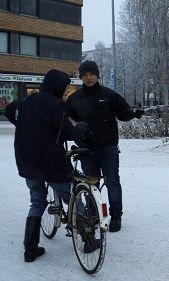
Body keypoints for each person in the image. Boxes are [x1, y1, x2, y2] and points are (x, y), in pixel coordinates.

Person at [66, 61, 144, 232]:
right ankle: (92, 214)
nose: (88, 77)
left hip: (108, 148)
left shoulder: (109, 95)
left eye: (92, 74)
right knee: (90, 184)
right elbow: (68, 121)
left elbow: (122, 112)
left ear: (97, 75)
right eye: (85, 74)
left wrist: (133, 114)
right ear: (81, 77)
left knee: (112, 182)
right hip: (87, 150)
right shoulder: (74, 99)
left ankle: (116, 215)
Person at [9, 69, 75, 262]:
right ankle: (87, 238)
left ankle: (30, 249)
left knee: (37, 202)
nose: (65, 92)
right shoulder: (56, 106)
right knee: (70, 195)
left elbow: (13, 111)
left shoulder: (27, 102)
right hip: (50, 164)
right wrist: (81, 130)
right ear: (56, 86)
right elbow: (68, 131)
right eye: (64, 89)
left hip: (27, 162)